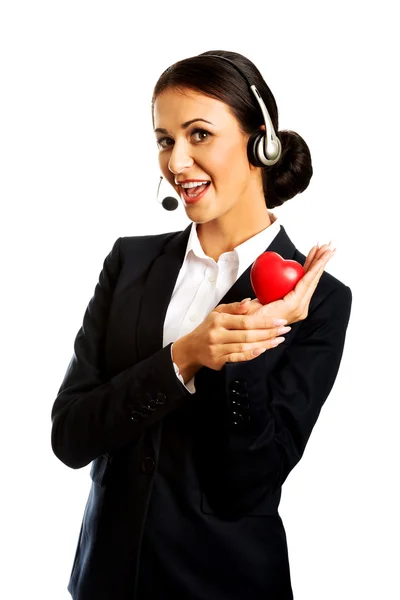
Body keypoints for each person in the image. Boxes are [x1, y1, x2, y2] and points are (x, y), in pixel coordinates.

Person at [51, 50, 352, 600]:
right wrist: (183, 357)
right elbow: (70, 437)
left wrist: (247, 349)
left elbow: (248, 485)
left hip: (224, 586)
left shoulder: (320, 301)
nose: (177, 161)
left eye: (198, 135)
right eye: (165, 140)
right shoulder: (129, 263)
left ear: (260, 141)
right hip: (105, 582)